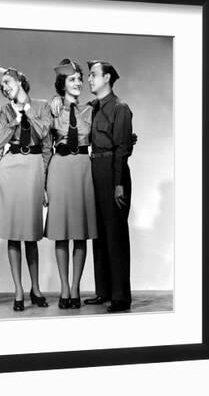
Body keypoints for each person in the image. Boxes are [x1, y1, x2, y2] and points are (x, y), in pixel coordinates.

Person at [0, 66, 53, 311]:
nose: (5, 87)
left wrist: (45, 182)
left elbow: (45, 139)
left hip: (33, 167)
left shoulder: (42, 105)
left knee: (30, 234)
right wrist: (15, 119)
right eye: (2, 86)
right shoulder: (4, 111)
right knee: (14, 234)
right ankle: (18, 290)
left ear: (20, 80)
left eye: (7, 82)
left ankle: (35, 288)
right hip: (11, 168)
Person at [44, 59, 97, 310]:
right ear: (62, 84)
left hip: (83, 169)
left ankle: (76, 287)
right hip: (60, 168)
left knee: (80, 232)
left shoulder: (90, 109)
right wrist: (43, 182)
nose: (77, 83)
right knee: (62, 231)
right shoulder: (53, 109)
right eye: (72, 79)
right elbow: (44, 146)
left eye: (79, 79)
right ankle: (64, 287)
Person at [83, 60, 134, 313]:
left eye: (93, 75)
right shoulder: (94, 108)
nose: (89, 79)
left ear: (107, 78)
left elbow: (122, 150)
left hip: (113, 172)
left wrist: (117, 184)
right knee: (100, 233)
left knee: (115, 235)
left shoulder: (120, 107)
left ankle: (120, 297)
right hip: (96, 169)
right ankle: (103, 291)